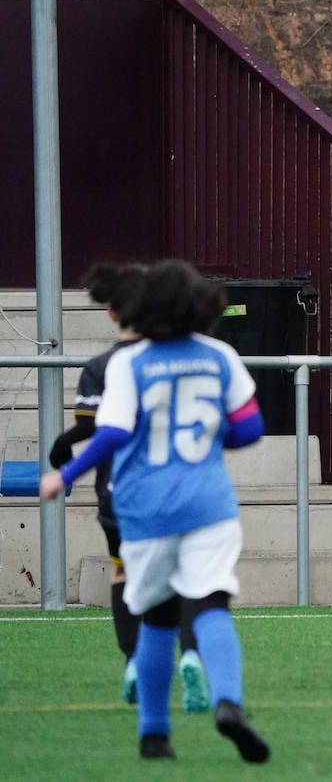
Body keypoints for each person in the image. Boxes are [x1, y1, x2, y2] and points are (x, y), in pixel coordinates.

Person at [41, 259, 272, 763]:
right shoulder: (220, 355)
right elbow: (250, 429)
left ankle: (153, 734)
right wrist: (215, 435)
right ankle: (229, 702)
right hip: (208, 503)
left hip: (144, 510)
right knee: (210, 606)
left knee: (158, 620)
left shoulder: (130, 363)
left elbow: (114, 432)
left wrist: (65, 474)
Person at [47, 262, 211, 712]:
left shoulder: (104, 366)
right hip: (180, 485)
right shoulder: (182, 358)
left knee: (125, 572)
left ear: (112, 313)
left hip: (121, 491)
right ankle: (192, 654)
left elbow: (93, 429)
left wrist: (60, 457)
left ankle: (135, 661)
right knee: (185, 577)